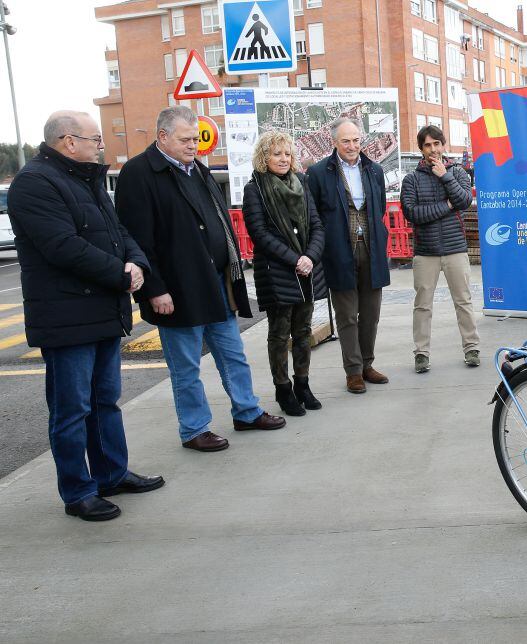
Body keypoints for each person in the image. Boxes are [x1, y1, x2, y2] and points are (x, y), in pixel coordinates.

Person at [7, 111, 164, 521]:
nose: (101, 145)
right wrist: (119, 272)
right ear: (67, 141)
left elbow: (120, 233)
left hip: (101, 309)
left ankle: (112, 473)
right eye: (94, 138)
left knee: (105, 402)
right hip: (66, 316)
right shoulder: (35, 183)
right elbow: (61, 246)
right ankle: (78, 491)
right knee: (71, 409)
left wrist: (136, 264)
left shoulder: (86, 179)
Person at [115, 106, 285, 453]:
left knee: (233, 354)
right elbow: (136, 240)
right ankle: (194, 429)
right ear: (162, 136)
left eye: (196, 139)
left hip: (217, 284)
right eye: (186, 139)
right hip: (176, 291)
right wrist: (153, 289)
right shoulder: (139, 174)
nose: (194, 145)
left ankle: (246, 411)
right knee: (186, 366)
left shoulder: (197, 170)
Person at [242, 131, 327, 416]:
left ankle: (302, 384)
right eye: (276, 153)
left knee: (303, 331)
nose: (283, 159)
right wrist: (295, 259)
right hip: (277, 271)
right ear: (264, 157)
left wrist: (310, 257)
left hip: (305, 270)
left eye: (287, 154)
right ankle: (283, 389)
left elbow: (317, 224)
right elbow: (259, 233)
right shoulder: (254, 188)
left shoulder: (301, 183)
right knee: (279, 334)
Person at [306, 117, 391, 394]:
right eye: (346, 141)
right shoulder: (319, 173)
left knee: (371, 313)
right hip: (339, 251)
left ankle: (367, 364)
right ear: (334, 143)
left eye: (356, 140)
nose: (352, 145)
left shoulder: (374, 170)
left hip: (372, 248)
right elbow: (314, 215)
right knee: (346, 315)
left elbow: (378, 208)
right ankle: (353, 371)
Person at [400, 125, 479, 373]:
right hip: (426, 252)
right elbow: (413, 214)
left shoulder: (458, 172)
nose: (433, 149)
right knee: (422, 305)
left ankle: (472, 348)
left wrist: (445, 176)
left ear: (444, 145)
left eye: (436, 144)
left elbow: (465, 201)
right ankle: (421, 353)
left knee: (463, 301)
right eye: (427, 145)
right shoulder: (411, 179)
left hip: (455, 248)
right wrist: (446, 205)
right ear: (421, 148)